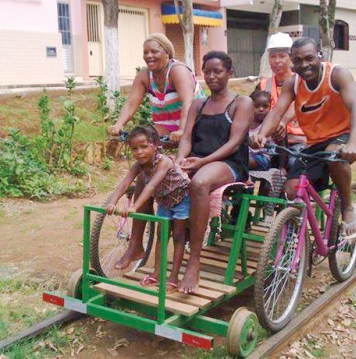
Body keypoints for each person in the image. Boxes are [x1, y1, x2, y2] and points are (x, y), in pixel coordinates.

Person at [253, 37, 356, 242]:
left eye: (309, 58)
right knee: (291, 188)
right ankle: (299, 238)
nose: (304, 65)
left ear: (320, 56)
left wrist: (353, 142)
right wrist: (261, 134)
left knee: (334, 158)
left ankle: (348, 208)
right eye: (298, 61)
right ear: (292, 63)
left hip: (345, 135)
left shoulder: (337, 74)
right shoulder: (293, 83)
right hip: (314, 143)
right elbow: (277, 112)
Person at [107, 33, 204, 270]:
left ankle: (184, 230)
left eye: (155, 51)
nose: (149, 56)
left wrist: (183, 128)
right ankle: (136, 245)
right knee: (144, 175)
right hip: (165, 133)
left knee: (174, 178)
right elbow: (132, 102)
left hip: (195, 130)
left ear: (168, 52)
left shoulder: (178, 71)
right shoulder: (145, 75)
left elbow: (188, 103)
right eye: (146, 52)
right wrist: (119, 124)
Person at [175, 51, 253, 293]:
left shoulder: (242, 103)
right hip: (198, 159)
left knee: (199, 183)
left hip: (229, 163)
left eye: (217, 71)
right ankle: (148, 252)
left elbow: (234, 143)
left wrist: (201, 162)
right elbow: (186, 137)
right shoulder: (198, 104)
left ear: (230, 73)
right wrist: (179, 160)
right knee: (161, 176)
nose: (211, 76)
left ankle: (194, 261)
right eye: (207, 71)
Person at [105, 125, 191, 292]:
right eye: (134, 149)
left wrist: (135, 206)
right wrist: (112, 202)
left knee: (179, 236)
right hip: (165, 201)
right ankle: (157, 273)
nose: (139, 152)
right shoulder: (138, 165)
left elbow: (151, 186)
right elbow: (125, 183)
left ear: (155, 145)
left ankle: (173, 277)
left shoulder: (164, 161)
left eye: (144, 147)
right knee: (161, 236)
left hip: (182, 199)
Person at [258, 33, 307, 150]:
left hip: (301, 142)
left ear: (291, 58)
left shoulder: (303, 82)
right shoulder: (263, 85)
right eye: (273, 56)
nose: (277, 61)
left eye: (282, 56)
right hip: (271, 143)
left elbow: (303, 102)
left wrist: (283, 121)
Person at [248, 90, 273, 171]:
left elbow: (282, 144)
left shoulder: (271, 125)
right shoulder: (245, 123)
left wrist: (282, 167)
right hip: (246, 154)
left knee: (248, 161)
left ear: (270, 107)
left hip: (262, 157)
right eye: (256, 106)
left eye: (265, 106)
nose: (261, 109)